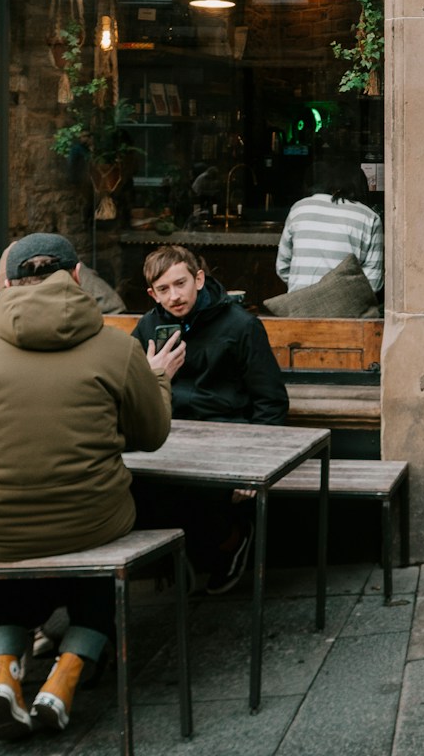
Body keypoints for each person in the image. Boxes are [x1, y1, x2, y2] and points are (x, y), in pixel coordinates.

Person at [0, 233, 182, 740]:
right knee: (108, 532)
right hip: (94, 520)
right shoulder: (117, 346)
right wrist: (158, 381)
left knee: (8, 546)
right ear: (78, 278)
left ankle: (0, 673)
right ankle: (64, 677)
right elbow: (152, 435)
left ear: (7, 284)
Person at [133, 245, 288, 592]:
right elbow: (130, 397)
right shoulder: (147, 328)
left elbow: (271, 400)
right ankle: (179, 554)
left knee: (203, 493)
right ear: (152, 294)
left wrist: (257, 461)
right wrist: (154, 377)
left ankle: (232, 542)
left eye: (180, 283)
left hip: (228, 439)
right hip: (170, 438)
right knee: (134, 486)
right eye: (163, 289)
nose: (174, 296)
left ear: (199, 279)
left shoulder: (241, 326)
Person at [275, 160, 383, 296]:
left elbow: (283, 266)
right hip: (347, 309)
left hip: (298, 304)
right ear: (361, 186)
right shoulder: (370, 217)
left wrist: (305, 289)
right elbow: (374, 282)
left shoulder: (300, 208)